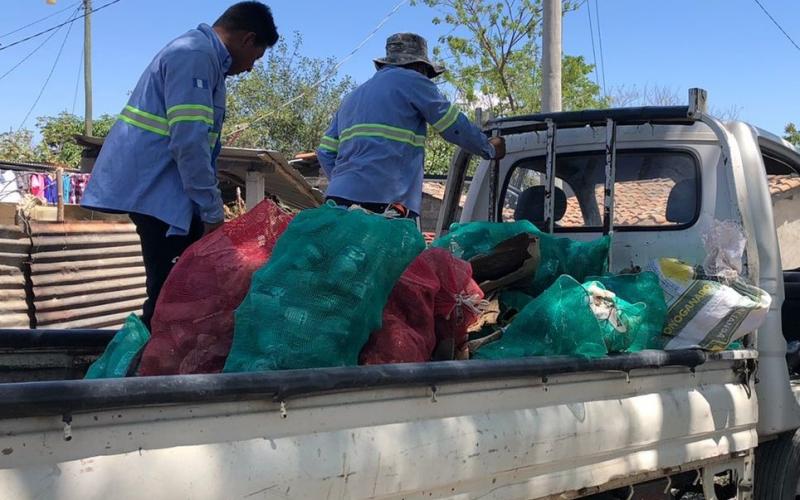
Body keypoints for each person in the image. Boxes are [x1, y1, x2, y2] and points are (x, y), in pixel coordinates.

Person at [82, 2, 279, 329]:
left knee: (178, 293)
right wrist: (212, 212)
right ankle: (154, 360)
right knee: (170, 297)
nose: (250, 69)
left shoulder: (203, 57)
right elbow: (190, 142)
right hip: (158, 195)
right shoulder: (195, 55)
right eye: (255, 58)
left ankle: (162, 355)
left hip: (167, 197)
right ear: (247, 39)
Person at [316, 33, 505, 221]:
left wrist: (347, 185)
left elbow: (325, 151)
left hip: (338, 201)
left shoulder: (351, 97)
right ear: (419, 66)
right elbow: (452, 124)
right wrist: (488, 147)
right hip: (384, 204)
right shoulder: (412, 80)